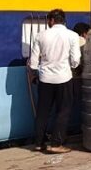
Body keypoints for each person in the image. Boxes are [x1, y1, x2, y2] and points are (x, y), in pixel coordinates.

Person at [28, 9, 81, 154]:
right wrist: (70, 66)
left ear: (51, 20)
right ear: (63, 20)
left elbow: (33, 63)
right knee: (63, 111)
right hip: (64, 78)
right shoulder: (72, 36)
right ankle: (56, 144)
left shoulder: (41, 36)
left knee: (43, 112)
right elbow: (76, 60)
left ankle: (39, 143)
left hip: (45, 79)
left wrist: (34, 72)